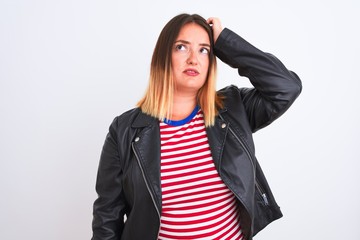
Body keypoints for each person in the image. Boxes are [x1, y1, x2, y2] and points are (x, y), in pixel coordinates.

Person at [91, 13, 302, 240]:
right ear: (163, 57)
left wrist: (224, 42)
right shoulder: (124, 130)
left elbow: (286, 87)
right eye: (182, 47)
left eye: (204, 50)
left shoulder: (233, 110)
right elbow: (107, 220)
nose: (194, 59)